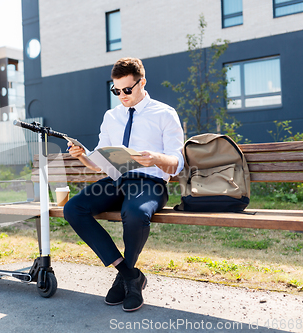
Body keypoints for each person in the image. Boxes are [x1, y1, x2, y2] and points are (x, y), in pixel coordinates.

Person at [64, 57, 184, 312]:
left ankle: (125, 280)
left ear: (142, 83)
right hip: (117, 180)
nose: (122, 96)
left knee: (136, 213)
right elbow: (100, 163)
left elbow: (176, 163)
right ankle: (129, 274)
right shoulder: (111, 116)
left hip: (150, 182)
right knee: (74, 208)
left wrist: (155, 158)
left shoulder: (164, 113)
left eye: (127, 90)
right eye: (116, 91)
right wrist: (83, 155)